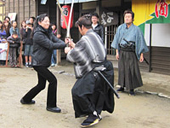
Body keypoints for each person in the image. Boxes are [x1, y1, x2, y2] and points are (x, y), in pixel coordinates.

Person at [65, 14, 114, 127]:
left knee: (77, 91)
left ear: (82, 27)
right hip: (104, 69)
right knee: (95, 92)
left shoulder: (85, 39)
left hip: (95, 71)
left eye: (79, 28)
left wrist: (69, 50)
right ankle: (96, 112)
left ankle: (93, 114)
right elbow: (86, 50)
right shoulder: (95, 35)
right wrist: (74, 45)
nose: (79, 30)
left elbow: (74, 56)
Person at [20, 14, 67, 113]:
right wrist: (64, 46)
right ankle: (51, 105)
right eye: (45, 21)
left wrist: (65, 43)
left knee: (41, 84)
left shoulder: (48, 32)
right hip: (38, 63)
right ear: (40, 22)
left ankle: (26, 99)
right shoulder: (38, 34)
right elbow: (50, 45)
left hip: (42, 62)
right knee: (53, 80)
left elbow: (55, 40)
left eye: (48, 21)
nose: (47, 23)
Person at [111, 10, 149, 95]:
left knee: (131, 69)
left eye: (129, 17)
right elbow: (117, 40)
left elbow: (140, 42)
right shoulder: (120, 28)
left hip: (131, 52)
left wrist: (141, 54)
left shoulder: (136, 29)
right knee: (122, 69)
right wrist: (117, 52)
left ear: (132, 18)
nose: (127, 18)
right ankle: (122, 86)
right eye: (126, 17)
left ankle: (131, 88)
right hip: (122, 52)